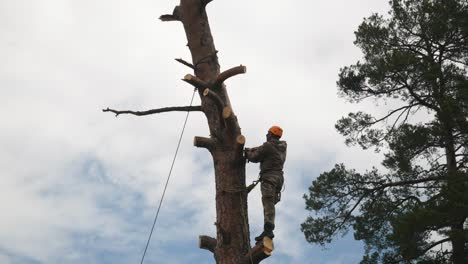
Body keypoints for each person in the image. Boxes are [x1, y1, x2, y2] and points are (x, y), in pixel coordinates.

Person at [244, 126, 287, 241]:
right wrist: (251, 149)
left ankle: (268, 230)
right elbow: (261, 149)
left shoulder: (268, 146)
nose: (266, 135)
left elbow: (255, 156)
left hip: (269, 178)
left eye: (268, 133)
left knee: (268, 203)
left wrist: (247, 153)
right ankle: (269, 228)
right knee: (271, 203)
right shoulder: (282, 147)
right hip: (278, 179)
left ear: (271, 134)